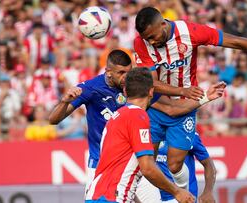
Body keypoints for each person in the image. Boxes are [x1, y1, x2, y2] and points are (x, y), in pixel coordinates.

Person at [134, 6, 247, 189]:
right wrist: (182, 91)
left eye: (153, 36)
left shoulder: (190, 32)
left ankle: (182, 194)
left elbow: (234, 41)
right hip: (160, 103)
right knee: (146, 164)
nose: (151, 41)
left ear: (163, 24)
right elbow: (151, 83)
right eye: (147, 38)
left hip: (185, 104)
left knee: (174, 165)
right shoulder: (141, 44)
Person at [49, 49, 225, 201]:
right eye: (121, 73)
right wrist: (64, 102)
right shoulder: (90, 88)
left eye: (128, 71)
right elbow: (54, 119)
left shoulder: (135, 87)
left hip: (134, 165)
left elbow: (172, 108)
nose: (126, 77)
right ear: (108, 71)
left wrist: (205, 97)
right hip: (101, 165)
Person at [85, 67, 195, 203]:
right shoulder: (138, 115)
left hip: (97, 195)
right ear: (151, 92)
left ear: (125, 91)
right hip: (112, 198)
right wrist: (177, 191)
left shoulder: (116, 117)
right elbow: (147, 168)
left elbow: (118, 170)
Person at [156, 133, 216, 203]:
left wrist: (208, 192)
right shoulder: (153, 133)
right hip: (158, 197)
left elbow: (208, 164)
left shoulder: (189, 134)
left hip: (186, 196)